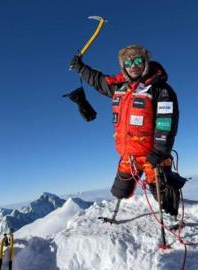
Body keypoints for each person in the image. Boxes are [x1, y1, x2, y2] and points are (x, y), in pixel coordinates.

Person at [70, 45, 179, 221]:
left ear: (145, 62)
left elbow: (166, 123)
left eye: (138, 60)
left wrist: (160, 152)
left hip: (153, 155)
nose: (133, 65)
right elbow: (98, 81)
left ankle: (173, 219)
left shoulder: (160, 89)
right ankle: (115, 216)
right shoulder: (119, 88)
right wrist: (81, 68)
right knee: (120, 190)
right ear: (123, 66)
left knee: (164, 193)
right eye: (128, 62)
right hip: (128, 155)